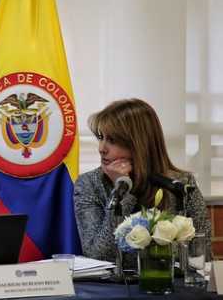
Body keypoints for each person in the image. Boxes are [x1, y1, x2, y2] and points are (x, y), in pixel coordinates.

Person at [74, 98, 211, 267]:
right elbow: (98, 254)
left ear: (139, 143)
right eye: (101, 138)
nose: (101, 148)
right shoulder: (89, 184)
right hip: (114, 290)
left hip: (171, 286)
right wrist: (123, 190)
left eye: (112, 140)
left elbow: (203, 252)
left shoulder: (180, 184)